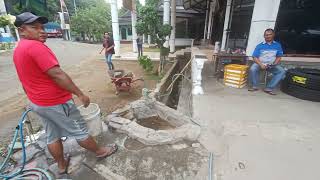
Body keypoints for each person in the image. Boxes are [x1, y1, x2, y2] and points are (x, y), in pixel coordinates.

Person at [13, 12, 117, 175]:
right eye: (35, 28)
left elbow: (24, 79)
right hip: (56, 102)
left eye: (42, 27)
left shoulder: (19, 49)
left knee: (52, 135)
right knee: (80, 131)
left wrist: (33, 98)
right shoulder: (35, 47)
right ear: (22, 31)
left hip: (39, 103)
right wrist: (80, 94)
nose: (42, 31)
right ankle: (100, 151)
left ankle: (61, 165)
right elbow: (57, 74)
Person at [248, 28, 286, 95]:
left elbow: (279, 56)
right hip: (260, 63)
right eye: (266, 35)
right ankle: (255, 86)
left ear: (273, 35)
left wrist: (274, 64)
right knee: (253, 68)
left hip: (272, 64)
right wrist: (261, 64)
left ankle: (269, 88)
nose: (267, 36)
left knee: (282, 71)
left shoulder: (277, 45)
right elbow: (254, 57)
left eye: (269, 34)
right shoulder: (260, 46)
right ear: (264, 36)